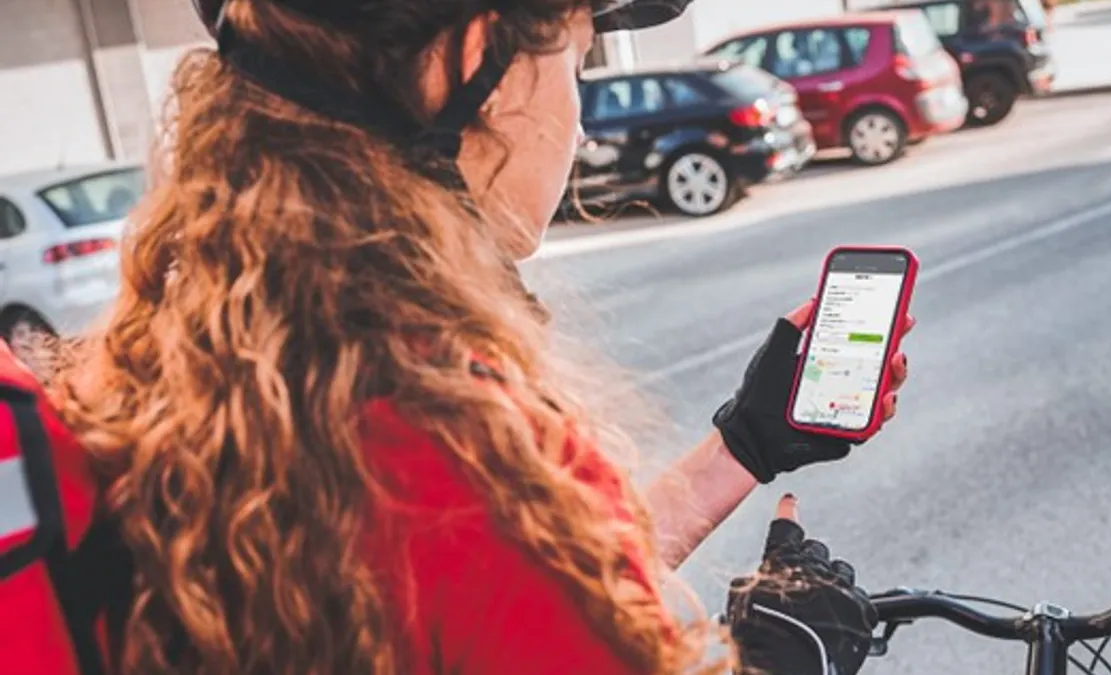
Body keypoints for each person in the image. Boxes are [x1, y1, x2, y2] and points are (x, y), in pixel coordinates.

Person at [50, 1, 914, 674]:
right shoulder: (438, 440)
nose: (577, 124)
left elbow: (504, 604)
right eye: (576, 58)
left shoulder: (180, 349)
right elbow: (505, 574)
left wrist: (741, 446)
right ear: (481, 63)